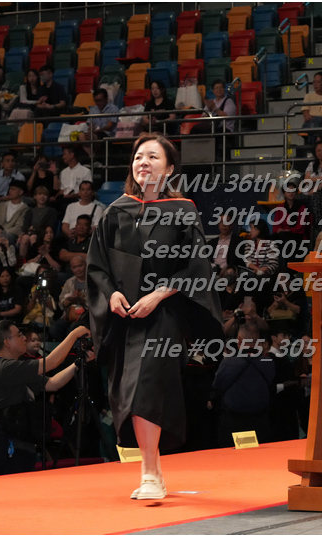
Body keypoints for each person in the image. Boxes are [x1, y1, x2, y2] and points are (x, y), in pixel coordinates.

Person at [86, 133, 222, 500]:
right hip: (124, 317)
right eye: (138, 157)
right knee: (127, 391)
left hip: (163, 312)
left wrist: (159, 294)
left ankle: (148, 471)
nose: (143, 162)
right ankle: (155, 467)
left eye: (152, 156)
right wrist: (111, 293)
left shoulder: (183, 210)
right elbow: (96, 265)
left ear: (170, 167)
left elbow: (197, 265)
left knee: (146, 384)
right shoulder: (115, 211)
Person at [0, 321, 92, 475]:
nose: (24, 338)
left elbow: (52, 384)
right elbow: (51, 363)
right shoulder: (2, 368)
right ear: (7, 342)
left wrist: (79, 363)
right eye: (19, 335)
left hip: (21, 442)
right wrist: (73, 334)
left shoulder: (12, 367)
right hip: (7, 447)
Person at [212, 323, 275, 447]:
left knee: (234, 457)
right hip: (260, 421)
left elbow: (217, 385)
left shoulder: (228, 363)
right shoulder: (268, 362)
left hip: (233, 422)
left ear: (239, 340)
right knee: (259, 455)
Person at [50, 256, 88, 340]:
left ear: (85, 265)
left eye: (80, 266)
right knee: (54, 329)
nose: (78, 269)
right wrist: (70, 300)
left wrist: (81, 300)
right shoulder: (69, 282)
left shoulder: (92, 281)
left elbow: (96, 304)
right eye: (75, 267)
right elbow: (61, 303)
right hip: (69, 315)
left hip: (86, 316)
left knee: (73, 328)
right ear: (71, 269)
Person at [78, 88, 118, 157]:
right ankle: (91, 155)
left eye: (100, 100)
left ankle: (96, 156)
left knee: (94, 137)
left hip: (107, 133)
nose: (98, 103)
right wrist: (90, 131)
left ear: (106, 99)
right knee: (81, 136)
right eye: (96, 101)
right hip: (95, 132)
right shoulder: (93, 110)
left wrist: (96, 131)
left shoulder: (113, 109)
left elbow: (109, 126)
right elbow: (90, 124)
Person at [300, 71, 322, 145]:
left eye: (318, 82)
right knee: (316, 122)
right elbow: (306, 116)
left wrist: (316, 117)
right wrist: (318, 117)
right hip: (309, 124)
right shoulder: (308, 96)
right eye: (314, 82)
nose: (315, 84)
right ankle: (317, 138)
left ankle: (313, 143)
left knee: (318, 120)